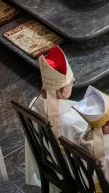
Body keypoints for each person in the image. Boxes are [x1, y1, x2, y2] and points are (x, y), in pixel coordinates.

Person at [24, 47, 81, 187]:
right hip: (73, 169)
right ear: (63, 91)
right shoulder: (69, 120)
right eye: (72, 83)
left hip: (49, 158)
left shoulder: (34, 103)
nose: (72, 85)